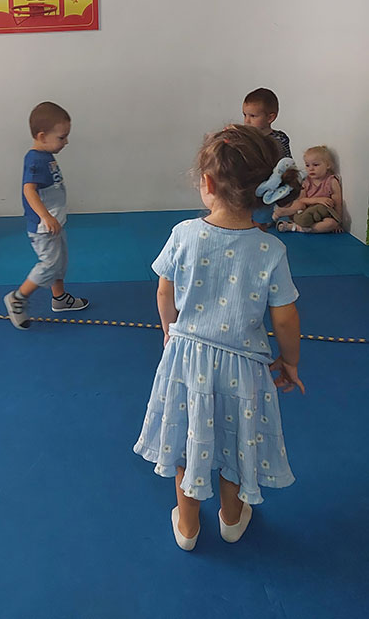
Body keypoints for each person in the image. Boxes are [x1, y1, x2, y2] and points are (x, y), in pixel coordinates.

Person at [133, 124, 304, 551]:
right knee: (235, 444)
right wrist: (290, 361)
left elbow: (164, 291)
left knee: (187, 439)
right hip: (243, 368)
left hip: (186, 358)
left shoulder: (184, 234)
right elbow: (286, 317)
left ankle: (188, 526)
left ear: (207, 183)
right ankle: (231, 518)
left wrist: (170, 331)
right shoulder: (271, 250)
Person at [3, 102, 89, 330]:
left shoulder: (46, 154)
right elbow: (29, 190)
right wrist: (45, 216)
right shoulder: (34, 159)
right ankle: (17, 298)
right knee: (50, 265)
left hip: (54, 224)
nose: (66, 142)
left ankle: (59, 298)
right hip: (44, 228)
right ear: (42, 136)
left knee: (60, 262)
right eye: (62, 137)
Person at [274, 145, 343, 233]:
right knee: (298, 204)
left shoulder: (332, 181)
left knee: (331, 223)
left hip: (322, 214)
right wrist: (318, 200)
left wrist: (338, 221)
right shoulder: (306, 181)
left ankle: (297, 227)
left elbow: (338, 203)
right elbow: (302, 199)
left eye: (315, 165)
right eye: (307, 165)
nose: (311, 169)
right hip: (304, 212)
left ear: (328, 165)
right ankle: (282, 212)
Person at [242, 88, 291, 158]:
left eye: (253, 116)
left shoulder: (279, 139)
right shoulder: (243, 139)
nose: (247, 121)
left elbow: (287, 162)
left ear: (270, 118)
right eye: (245, 115)